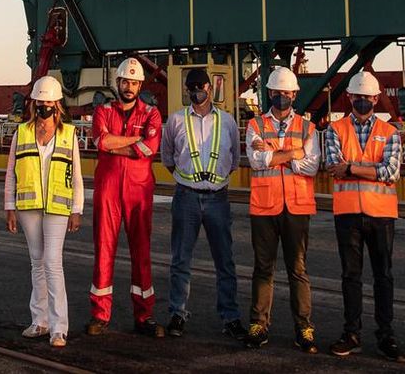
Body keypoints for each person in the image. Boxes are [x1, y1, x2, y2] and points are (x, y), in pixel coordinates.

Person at [323, 70, 405, 361]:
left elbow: (391, 172)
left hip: (380, 214)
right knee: (351, 276)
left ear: (376, 98)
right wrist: (370, 168)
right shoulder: (336, 129)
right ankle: (352, 333)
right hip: (347, 213)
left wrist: (352, 168)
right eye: (358, 97)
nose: (362, 101)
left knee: (383, 276)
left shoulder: (390, 133)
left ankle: (386, 336)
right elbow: (333, 165)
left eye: (367, 98)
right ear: (350, 97)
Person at [242, 66, 320, 353]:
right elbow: (256, 161)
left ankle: (304, 327)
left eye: (286, 92)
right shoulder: (255, 125)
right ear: (269, 93)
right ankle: (258, 324)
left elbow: (312, 165)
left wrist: (274, 154)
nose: (281, 96)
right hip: (264, 207)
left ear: (295, 94)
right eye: (277, 92)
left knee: (297, 269)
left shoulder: (308, 127)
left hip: (297, 207)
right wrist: (293, 154)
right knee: (263, 269)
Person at [86, 57, 165, 337]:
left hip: (139, 190)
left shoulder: (152, 114)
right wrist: (136, 140)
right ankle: (100, 314)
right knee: (103, 251)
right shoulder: (103, 110)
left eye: (133, 82)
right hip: (108, 188)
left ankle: (144, 316)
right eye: (125, 82)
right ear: (117, 83)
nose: (129, 87)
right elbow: (101, 141)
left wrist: (115, 144)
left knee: (141, 253)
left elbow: (150, 148)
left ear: (139, 84)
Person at [160, 68, 241, 340]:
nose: (197, 90)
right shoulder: (176, 121)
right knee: (180, 259)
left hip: (218, 197)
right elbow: (167, 156)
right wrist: (187, 179)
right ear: (187, 89)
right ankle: (177, 314)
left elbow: (235, 157)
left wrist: (215, 181)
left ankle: (230, 317)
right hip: (186, 197)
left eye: (200, 85)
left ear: (209, 86)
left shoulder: (227, 121)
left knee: (225, 261)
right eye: (192, 86)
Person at [3, 75, 83, 348]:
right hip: (28, 207)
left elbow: (78, 177)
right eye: (41, 101)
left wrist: (77, 209)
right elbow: (11, 174)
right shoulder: (21, 133)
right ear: (34, 103)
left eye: (49, 102)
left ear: (57, 105)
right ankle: (40, 321)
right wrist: (9, 207)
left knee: (52, 263)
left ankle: (59, 328)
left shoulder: (68, 134)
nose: (44, 106)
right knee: (37, 263)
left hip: (58, 208)